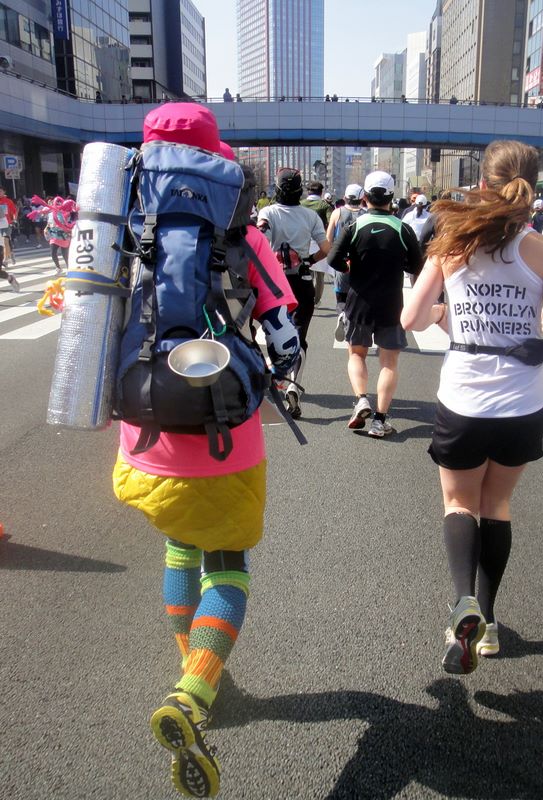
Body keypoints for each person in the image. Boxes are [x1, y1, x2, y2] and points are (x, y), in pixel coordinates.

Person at [113, 103, 299, 799]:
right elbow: (285, 337)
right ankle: (192, 693)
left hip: (144, 435)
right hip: (225, 435)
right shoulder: (242, 236)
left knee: (178, 546)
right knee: (226, 562)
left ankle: (197, 669)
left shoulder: (118, 228)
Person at [401, 140, 543, 675]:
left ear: (482, 183)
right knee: (496, 505)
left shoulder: (451, 243)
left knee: (458, 502)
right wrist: (536, 321)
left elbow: (411, 319)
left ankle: (464, 603)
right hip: (523, 401)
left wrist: (443, 314)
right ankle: (491, 623)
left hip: (464, 396)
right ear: (534, 183)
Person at [327, 171, 422, 437]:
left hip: (359, 301)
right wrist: (400, 264)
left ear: (365, 197)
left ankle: (361, 400)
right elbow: (417, 265)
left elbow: (333, 259)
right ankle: (380, 421)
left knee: (356, 354)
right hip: (391, 303)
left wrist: (350, 266)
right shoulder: (403, 228)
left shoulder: (355, 226)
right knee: (389, 363)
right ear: (392, 198)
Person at [257, 168, 330, 419]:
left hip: (273, 284)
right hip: (302, 281)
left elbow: (259, 241)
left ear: (277, 189)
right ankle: (293, 385)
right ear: (300, 191)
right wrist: (308, 260)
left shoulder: (268, 213)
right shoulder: (310, 216)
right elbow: (326, 248)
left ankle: (276, 376)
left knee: (272, 332)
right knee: (300, 335)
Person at [325, 183, 365, 339]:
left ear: (345, 198)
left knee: (341, 295)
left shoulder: (337, 213)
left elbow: (328, 239)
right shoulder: (366, 215)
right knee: (358, 296)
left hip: (341, 262)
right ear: (362, 198)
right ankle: (356, 327)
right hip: (360, 263)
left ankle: (342, 314)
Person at [301, 181, 332, 306]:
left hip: (302, 242)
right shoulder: (325, 206)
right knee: (320, 275)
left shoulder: (300, 204)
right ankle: (316, 301)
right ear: (321, 192)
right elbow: (330, 223)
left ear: (308, 191)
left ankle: (305, 298)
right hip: (319, 243)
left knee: (305, 272)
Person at [0, 186, 17, 265]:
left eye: (0, 191)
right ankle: (11, 253)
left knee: (5, 241)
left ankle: (5, 259)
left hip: (6, 224)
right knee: (2, 243)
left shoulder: (8, 201)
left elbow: (14, 211)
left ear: (4, 192)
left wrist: (14, 220)